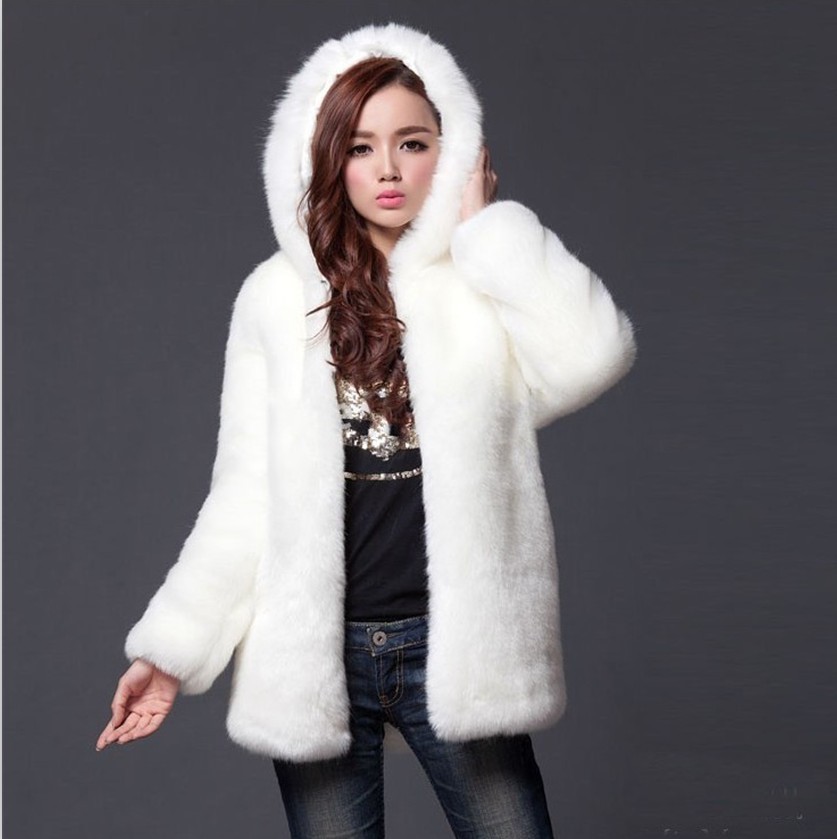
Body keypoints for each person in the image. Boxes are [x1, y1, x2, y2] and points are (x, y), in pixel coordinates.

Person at [96, 23, 637, 839]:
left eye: (412, 143)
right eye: (359, 147)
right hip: (317, 653)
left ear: (453, 153)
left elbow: (592, 355)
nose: (387, 168)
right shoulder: (276, 299)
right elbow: (245, 496)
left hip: (458, 644)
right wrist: (171, 654)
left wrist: (491, 231)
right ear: (325, 160)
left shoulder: (482, 280)